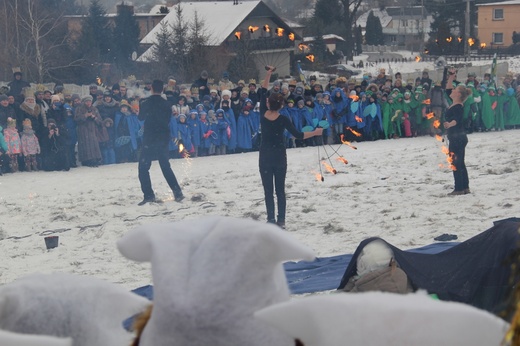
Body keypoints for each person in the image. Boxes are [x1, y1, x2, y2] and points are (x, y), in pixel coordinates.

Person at [258, 66, 323, 229]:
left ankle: (271, 219)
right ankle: (281, 220)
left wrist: (268, 74)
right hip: (279, 157)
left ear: (268, 103)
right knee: (280, 190)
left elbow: (263, 90)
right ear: (280, 105)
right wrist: (315, 132)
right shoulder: (284, 118)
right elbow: (299, 135)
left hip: (265, 157)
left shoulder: (262, 113)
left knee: (268, 191)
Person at [138, 79, 184, 206]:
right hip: (163, 137)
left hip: (149, 137)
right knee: (165, 165)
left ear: (151, 88)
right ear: (162, 89)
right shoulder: (167, 104)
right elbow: (168, 119)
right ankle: (177, 192)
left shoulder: (145, 102)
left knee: (143, 167)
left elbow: (140, 117)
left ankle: (148, 195)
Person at [444, 68, 471, 196]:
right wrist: (451, 76)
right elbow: (448, 89)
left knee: (456, 163)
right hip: (458, 137)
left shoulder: (458, 106)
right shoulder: (454, 102)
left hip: (457, 137)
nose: (452, 90)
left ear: (459, 95)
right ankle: (465, 187)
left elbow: (457, 119)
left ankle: (459, 188)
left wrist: (450, 124)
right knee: (460, 162)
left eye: (455, 90)